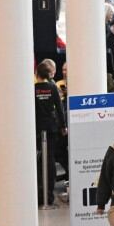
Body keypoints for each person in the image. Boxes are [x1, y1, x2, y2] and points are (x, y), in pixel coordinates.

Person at [32, 61, 66, 206]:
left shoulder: (32, 89)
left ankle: (40, 193)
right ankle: (49, 195)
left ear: (37, 74)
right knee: (50, 159)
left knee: (40, 160)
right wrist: (63, 126)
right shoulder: (52, 87)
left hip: (37, 128)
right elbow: (59, 108)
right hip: (51, 128)